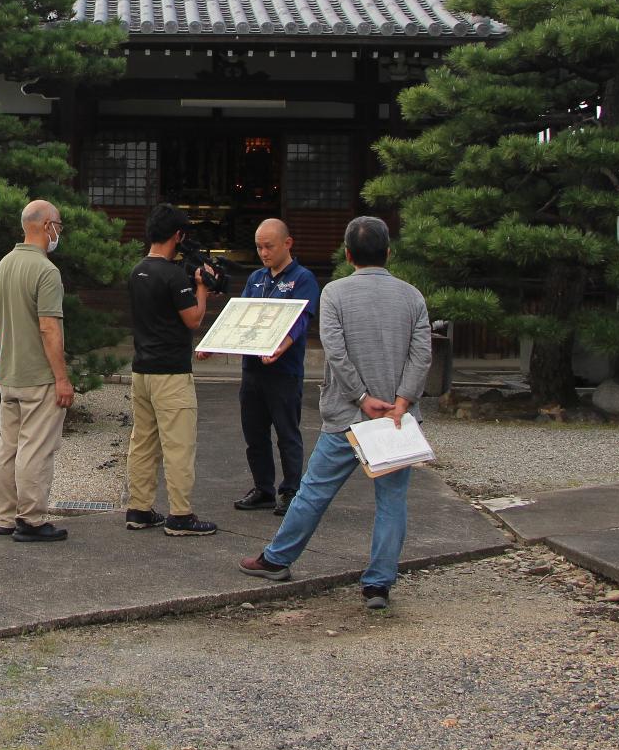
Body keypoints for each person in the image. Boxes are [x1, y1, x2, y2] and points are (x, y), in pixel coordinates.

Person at [239, 216, 432, 609]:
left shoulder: (335, 293)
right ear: (388, 252)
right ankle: (378, 584)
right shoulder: (412, 296)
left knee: (314, 490)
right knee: (392, 500)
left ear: (347, 254)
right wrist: (403, 401)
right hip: (394, 417)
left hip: (348, 413)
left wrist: (361, 396)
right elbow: (421, 354)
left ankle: (277, 558)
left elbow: (335, 350)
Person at [124, 204, 218, 537]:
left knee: (143, 441)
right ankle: (181, 514)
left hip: (142, 368)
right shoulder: (173, 275)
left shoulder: (138, 271)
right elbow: (193, 319)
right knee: (178, 444)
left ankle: (139, 508)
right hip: (171, 373)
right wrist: (202, 287)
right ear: (177, 235)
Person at [0, 200, 74, 543]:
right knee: (36, 448)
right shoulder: (46, 271)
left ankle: (6, 516)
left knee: (8, 447)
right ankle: (32, 519)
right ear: (46, 226)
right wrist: (62, 378)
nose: (59, 232)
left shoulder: (4, 265)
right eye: (59, 225)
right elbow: (49, 328)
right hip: (38, 375)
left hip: (8, 373)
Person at [231, 218, 320, 514]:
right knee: (254, 433)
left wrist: (281, 348)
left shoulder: (302, 278)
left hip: (284, 371)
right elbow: (240, 317)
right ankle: (263, 488)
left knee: (287, 432)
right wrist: (214, 346)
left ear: (287, 243)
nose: (264, 253)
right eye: (258, 247)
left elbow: (300, 320)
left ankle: (292, 490)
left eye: (269, 246)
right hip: (253, 369)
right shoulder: (256, 277)